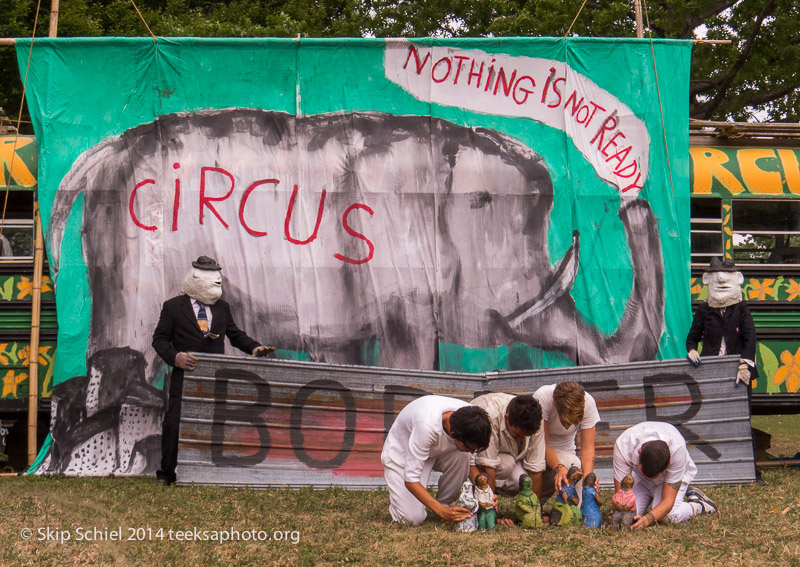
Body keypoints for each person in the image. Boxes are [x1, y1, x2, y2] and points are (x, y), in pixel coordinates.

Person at [152, 255, 275, 485]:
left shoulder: (222, 308)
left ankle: (209, 471)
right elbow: (159, 340)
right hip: (185, 375)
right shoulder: (172, 307)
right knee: (174, 422)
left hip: (215, 376)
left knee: (214, 423)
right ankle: (166, 473)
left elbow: (235, 335)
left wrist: (255, 348)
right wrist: (175, 358)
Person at [381, 395, 491, 526]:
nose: (473, 452)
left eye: (475, 450)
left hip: (434, 450)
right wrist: (441, 511)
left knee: (464, 455)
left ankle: (444, 502)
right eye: (470, 447)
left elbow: (471, 465)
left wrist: (486, 493)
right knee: (411, 519)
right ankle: (428, 508)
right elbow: (411, 480)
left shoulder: (471, 421)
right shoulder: (426, 425)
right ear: (453, 432)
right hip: (403, 451)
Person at [612, 421, 717, 529]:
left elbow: (668, 501)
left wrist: (647, 519)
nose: (648, 477)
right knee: (628, 517)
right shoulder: (623, 445)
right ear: (639, 453)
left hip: (665, 482)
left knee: (668, 517)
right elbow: (621, 495)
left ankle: (699, 504)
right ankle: (646, 492)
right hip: (639, 480)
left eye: (652, 476)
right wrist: (620, 510)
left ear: (669, 463)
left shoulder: (677, 450)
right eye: (645, 473)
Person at [686, 257, 757, 387]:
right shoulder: (704, 309)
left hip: (738, 368)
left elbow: (750, 338)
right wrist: (692, 350)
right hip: (711, 368)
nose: (721, 279)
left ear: (738, 279)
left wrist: (744, 364)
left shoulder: (741, 309)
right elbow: (693, 337)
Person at [533, 381, 600, 504]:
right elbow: (543, 444)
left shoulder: (588, 403)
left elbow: (588, 449)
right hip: (538, 448)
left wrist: (588, 480)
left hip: (565, 450)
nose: (568, 425)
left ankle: (573, 508)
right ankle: (537, 504)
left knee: (575, 467)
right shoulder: (543, 397)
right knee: (563, 466)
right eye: (565, 420)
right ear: (555, 404)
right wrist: (559, 467)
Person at [469, 393, 545, 499]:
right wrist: (490, 505)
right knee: (507, 465)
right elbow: (487, 465)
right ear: (507, 418)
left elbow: (536, 467)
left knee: (521, 480)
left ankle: (497, 492)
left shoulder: (536, 420)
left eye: (526, 436)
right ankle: (480, 494)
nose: (521, 440)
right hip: (471, 458)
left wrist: (536, 508)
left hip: (509, 458)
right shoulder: (490, 416)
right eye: (518, 435)